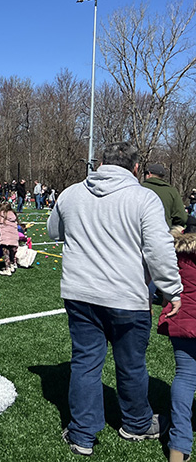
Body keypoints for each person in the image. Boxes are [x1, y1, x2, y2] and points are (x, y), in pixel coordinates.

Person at [48, 141, 183, 456]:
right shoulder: (142, 197)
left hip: (80, 293)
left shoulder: (71, 193)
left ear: (101, 164)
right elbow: (159, 251)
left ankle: (82, 434)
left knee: (85, 363)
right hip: (126, 296)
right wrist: (171, 289)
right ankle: (136, 423)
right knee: (132, 364)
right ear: (136, 168)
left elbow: (55, 230)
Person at [158, 221, 196, 462]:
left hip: (182, 318)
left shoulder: (174, 250)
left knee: (184, 377)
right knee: (185, 377)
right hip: (184, 318)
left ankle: (178, 447)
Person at [142, 163, 188, 229]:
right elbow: (182, 218)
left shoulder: (139, 188)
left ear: (149, 174)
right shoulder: (172, 191)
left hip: (140, 233)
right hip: (164, 233)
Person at [0, 202, 20, 276]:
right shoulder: (13, 215)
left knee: (6, 254)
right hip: (14, 236)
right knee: (12, 252)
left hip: (5, 237)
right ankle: (12, 265)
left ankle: (7, 268)